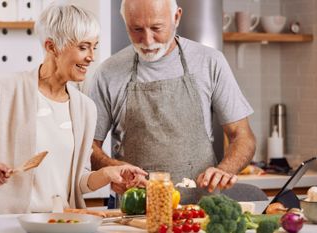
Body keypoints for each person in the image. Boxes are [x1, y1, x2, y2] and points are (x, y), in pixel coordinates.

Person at [0, 4, 146, 215]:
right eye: (83, 47)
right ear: (51, 47)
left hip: (60, 223)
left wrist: (108, 173)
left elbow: (79, 181)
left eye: (94, 47)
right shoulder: (6, 89)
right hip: (5, 223)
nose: (91, 56)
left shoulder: (85, 108)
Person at [89, 0, 256, 204]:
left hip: (200, 211)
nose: (148, 40)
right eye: (137, 29)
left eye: (156, 28)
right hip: (136, 211)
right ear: (125, 22)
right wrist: (111, 168)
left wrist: (224, 170)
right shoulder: (108, 73)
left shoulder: (210, 62)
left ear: (176, 17)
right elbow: (88, 146)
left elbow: (243, 135)